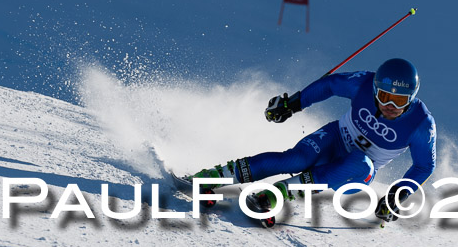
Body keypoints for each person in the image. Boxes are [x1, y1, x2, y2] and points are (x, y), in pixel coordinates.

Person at [187, 58, 436, 222]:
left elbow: (424, 165)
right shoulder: (362, 84)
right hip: (336, 138)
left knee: (362, 163)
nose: (391, 105)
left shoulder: (421, 124)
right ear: (375, 89)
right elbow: (329, 85)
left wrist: (396, 196)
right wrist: (293, 104)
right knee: (296, 159)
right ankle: (216, 175)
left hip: (355, 173)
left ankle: (278, 194)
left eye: (400, 100)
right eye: (384, 96)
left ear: (411, 98)